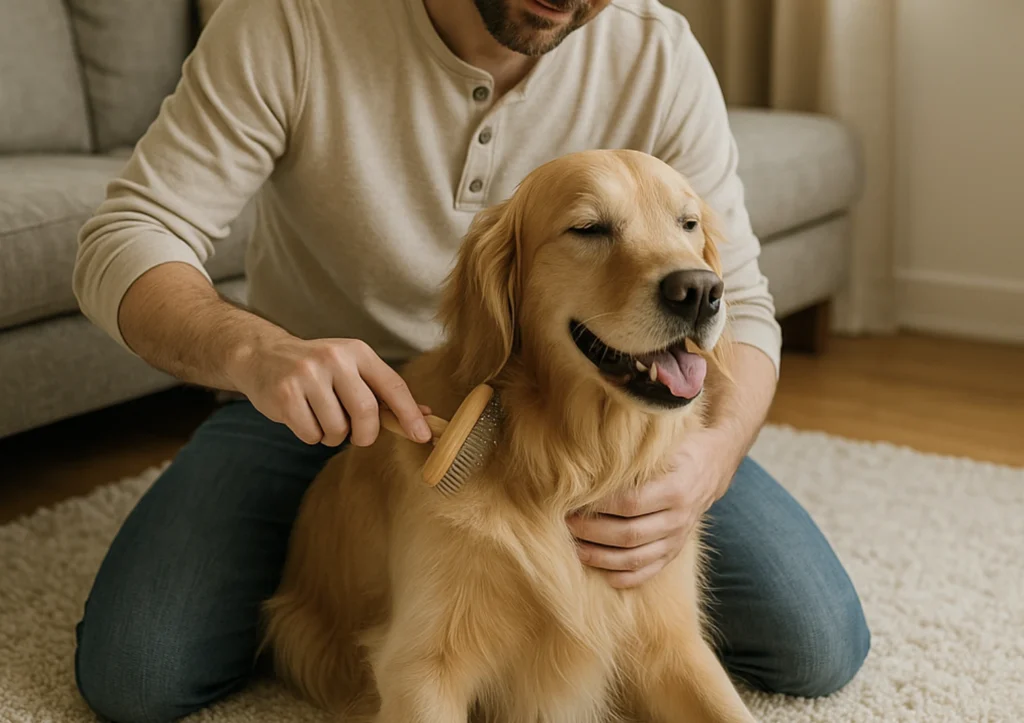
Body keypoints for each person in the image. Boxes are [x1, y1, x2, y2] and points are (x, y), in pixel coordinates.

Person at [70, 0, 870, 720]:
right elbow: (128, 235)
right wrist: (258, 352)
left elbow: (742, 302)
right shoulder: (289, 19)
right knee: (136, 670)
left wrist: (710, 457)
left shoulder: (656, 50)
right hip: (306, 403)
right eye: (591, 229)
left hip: (595, 398)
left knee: (817, 640)